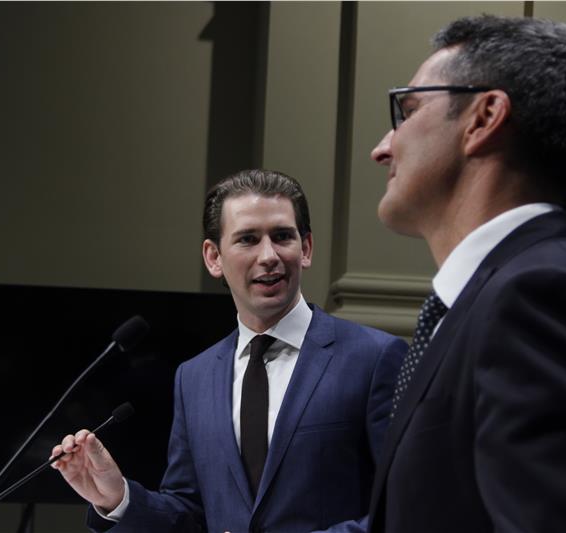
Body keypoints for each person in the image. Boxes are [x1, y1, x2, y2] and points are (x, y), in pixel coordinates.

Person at [367, 15, 566, 533]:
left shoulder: (541, 295)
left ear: (483, 118)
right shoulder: (492, 298)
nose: (382, 147)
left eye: (407, 111)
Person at [52, 169, 407, 532]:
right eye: (248, 239)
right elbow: (189, 513)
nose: (268, 255)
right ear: (213, 258)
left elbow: (405, 506)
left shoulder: (375, 358)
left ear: (306, 248)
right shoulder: (195, 377)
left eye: (282, 236)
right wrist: (118, 498)